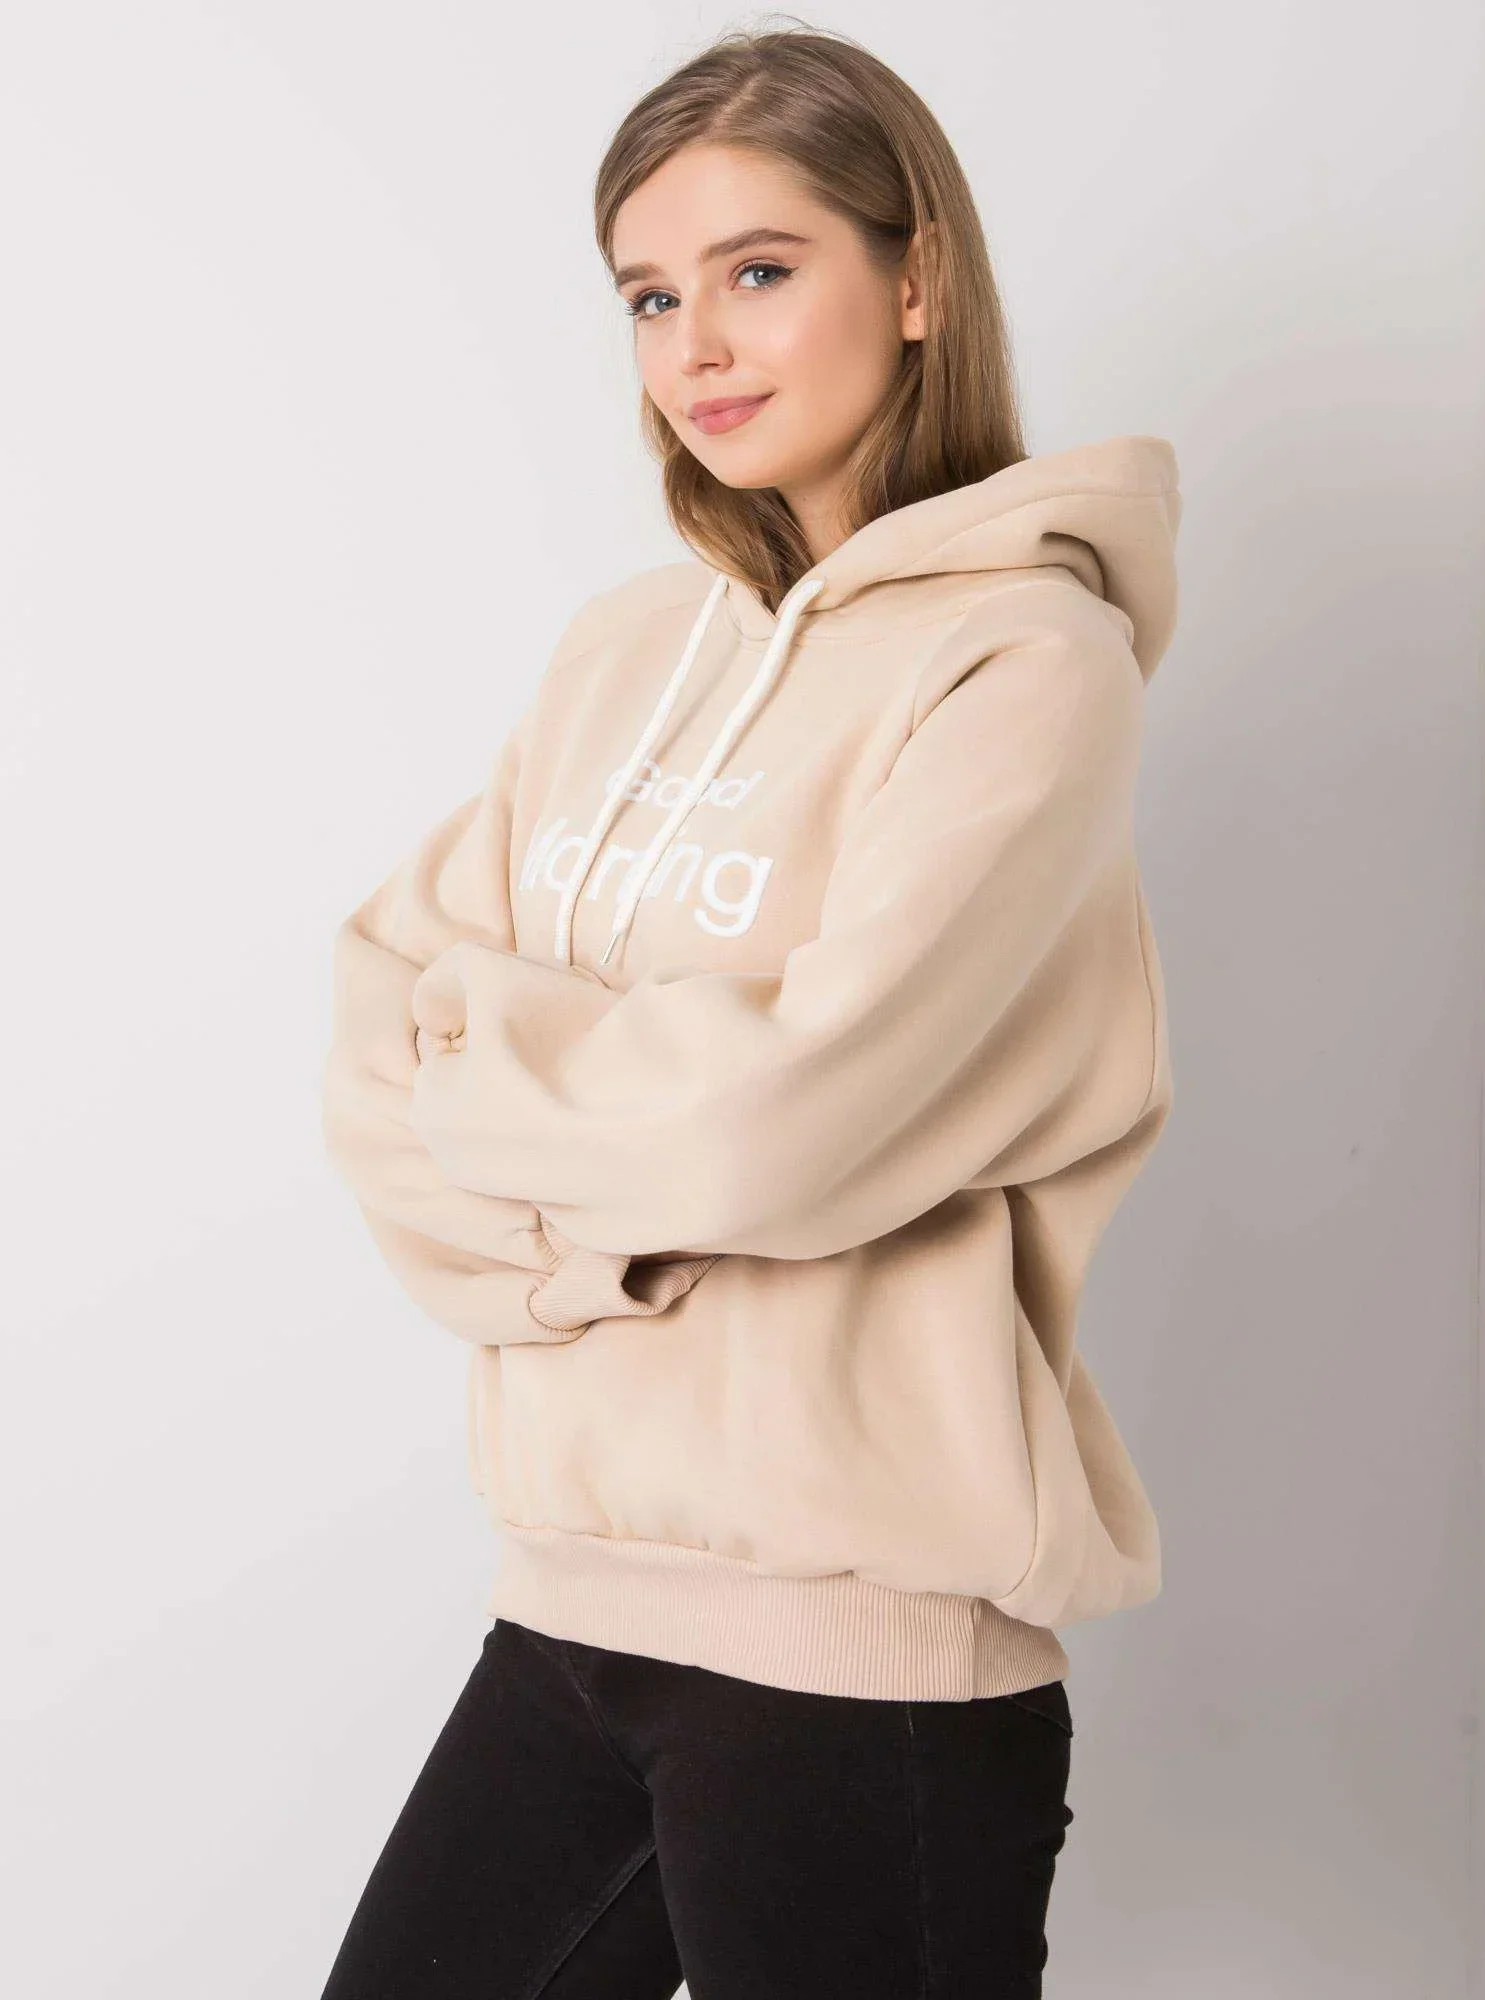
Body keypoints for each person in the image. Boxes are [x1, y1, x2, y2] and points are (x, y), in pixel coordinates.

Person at [316, 21, 1180, 1999]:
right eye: (649, 295)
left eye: (760, 269)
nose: (696, 343)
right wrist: (593, 1233)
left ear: (917, 276)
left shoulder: (1026, 664)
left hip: (858, 1665)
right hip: (570, 1619)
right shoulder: (623, 654)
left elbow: (777, 1124)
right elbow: (376, 1036)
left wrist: (517, 1091)